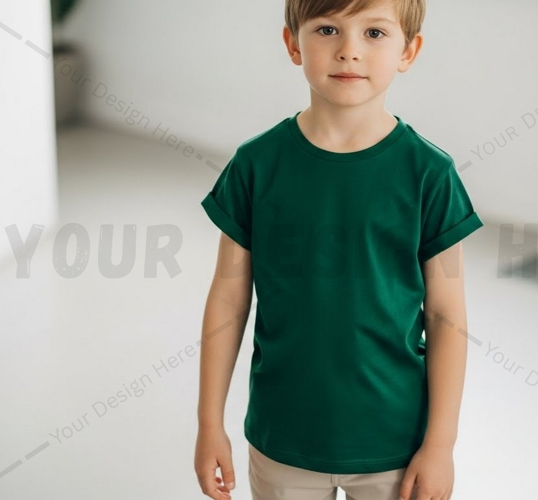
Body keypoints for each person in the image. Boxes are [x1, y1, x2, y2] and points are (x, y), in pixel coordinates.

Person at [194, 0, 484, 498]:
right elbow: (227, 299)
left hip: (397, 444)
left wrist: (440, 445)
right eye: (328, 29)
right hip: (283, 438)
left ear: (408, 51)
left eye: (374, 33)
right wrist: (208, 423)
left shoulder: (429, 174)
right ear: (293, 43)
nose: (349, 51)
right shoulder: (256, 165)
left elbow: (446, 315)